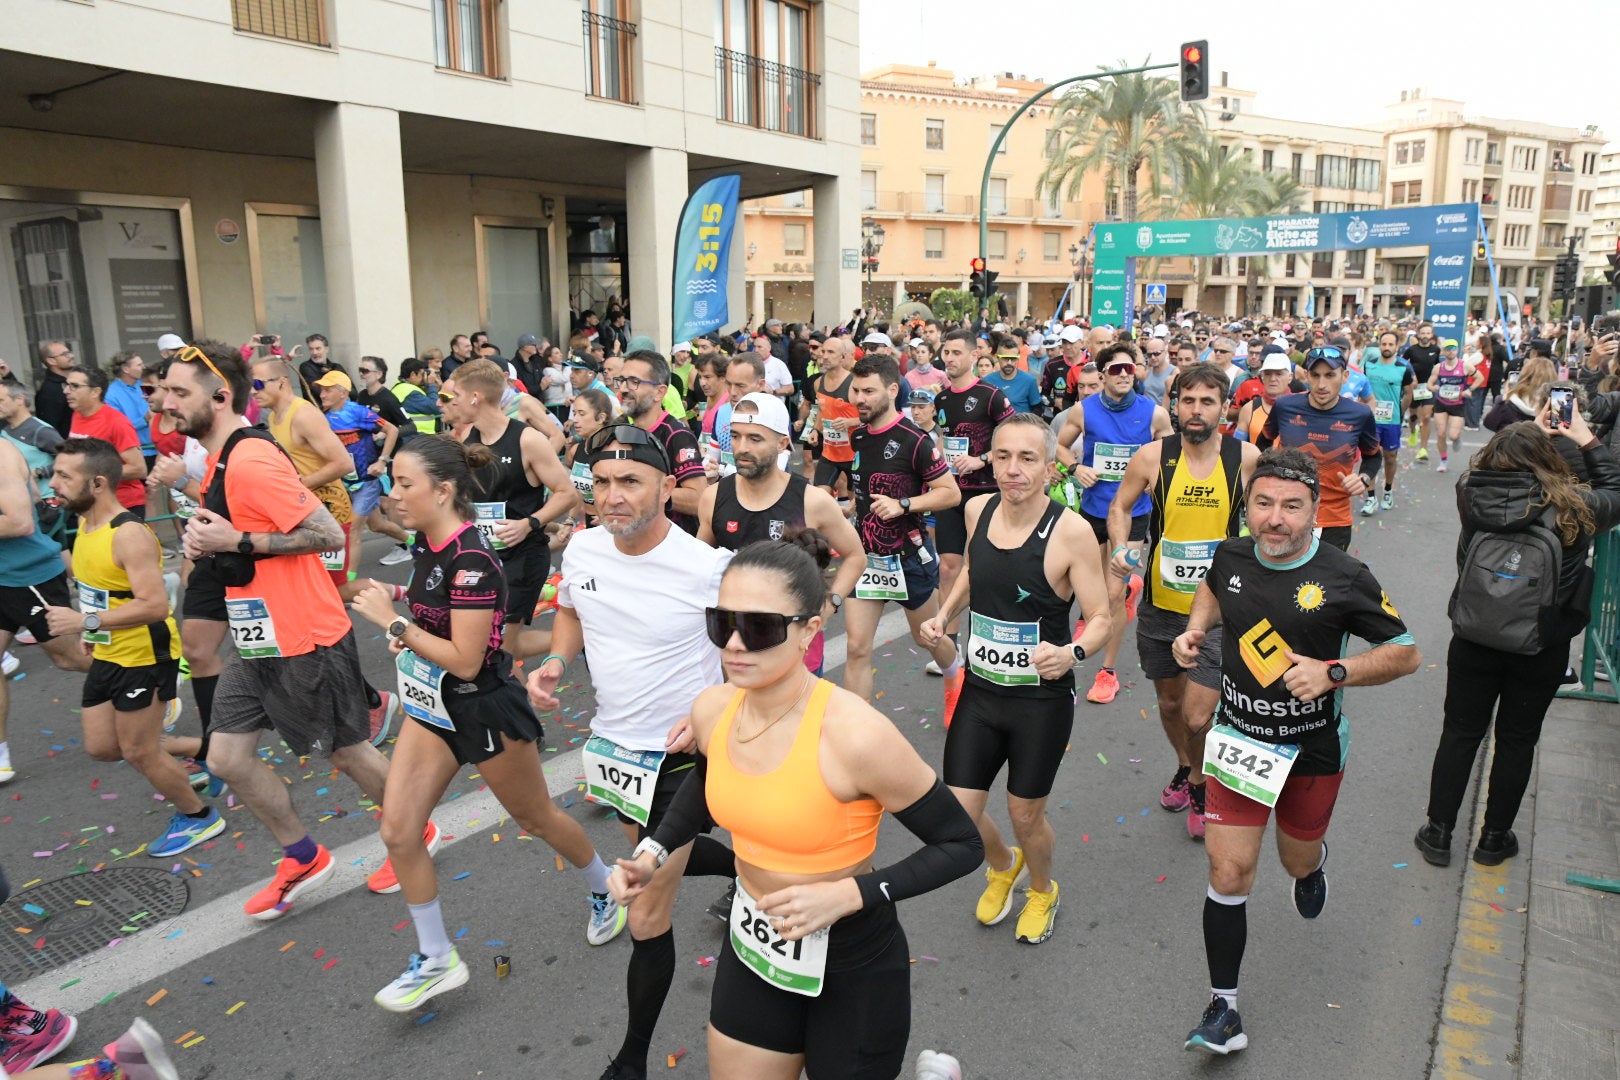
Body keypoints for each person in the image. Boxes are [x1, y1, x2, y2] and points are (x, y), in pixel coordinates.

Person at [607, 536, 982, 1080]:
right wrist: (653, 850)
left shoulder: (855, 735)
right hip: (754, 943)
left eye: (759, 627)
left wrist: (846, 895)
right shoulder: (712, 709)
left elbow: (961, 844)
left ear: (809, 629)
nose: (735, 643)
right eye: (722, 623)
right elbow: (711, 782)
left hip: (851, 956)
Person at [349, 435, 625, 1012]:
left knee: (536, 818)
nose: (394, 495)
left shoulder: (473, 559)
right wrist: (397, 591)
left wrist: (391, 624)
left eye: (405, 484)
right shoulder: (429, 541)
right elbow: (435, 603)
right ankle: (436, 957)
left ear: (443, 490)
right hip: (433, 710)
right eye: (393, 483)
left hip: (481, 704)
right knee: (399, 832)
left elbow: (466, 658)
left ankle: (606, 887)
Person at [1171, 448, 1420, 1055]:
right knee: (1229, 871)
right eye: (1263, 504)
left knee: (1295, 862)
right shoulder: (1230, 553)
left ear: (1314, 512)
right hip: (1239, 740)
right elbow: (1211, 588)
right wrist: (1196, 629)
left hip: (1312, 750)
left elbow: (1406, 652)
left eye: (1291, 507)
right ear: (1247, 506)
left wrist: (1334, 672)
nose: (1274, 519)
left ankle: (1313, 864)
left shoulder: (1344, 575)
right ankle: (1223, 1010)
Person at [164, 342, 418, 915]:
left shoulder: (250, 460)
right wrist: (206, 536)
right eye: (166, 390)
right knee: (227, 759)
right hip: (259, 638)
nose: (166, 402)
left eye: (181, 392)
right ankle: (302, 855)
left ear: (220, 396)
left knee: (347, 753)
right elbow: (238, 531)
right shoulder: (225, 458)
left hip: (304, 634)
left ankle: (413, 832)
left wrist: (238, 542)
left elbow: (327, 533)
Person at [525, 424, 733, 1080]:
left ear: (669, 487)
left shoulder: (707, 569)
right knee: (663, 845)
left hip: (683, 758)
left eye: (630, 482)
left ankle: (631, 1059)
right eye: (602, 482)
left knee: (646, 909)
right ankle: (754, 868)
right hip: (615, 748)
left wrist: (714, 713)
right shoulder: (584, 549)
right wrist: (557, 661)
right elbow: (572, 612)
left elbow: (748, 655)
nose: (611, 496)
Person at [920, 414, 1110, 944]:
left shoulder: (1070, 531)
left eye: (1027, 458)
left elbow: (1100, 618)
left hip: (1040, 701)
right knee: (957, 813)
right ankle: (1004, 865)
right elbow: (975, 574)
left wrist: (1071, 652)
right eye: (1002, 456)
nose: (1012, 469)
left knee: (1026, 815)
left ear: (1049, 467)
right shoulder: (978, 509)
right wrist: (946, 616)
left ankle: (1043, 888)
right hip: (982, 691)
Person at [1414, 406, 1620, 868]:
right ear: (1549, 457)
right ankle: (1494, 838)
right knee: (1516, 741)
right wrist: (1584, 438)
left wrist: (1522, 429)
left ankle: (1438, 832)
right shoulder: (1572, 505)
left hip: (1473, 635)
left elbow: (1502, 453)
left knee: (1460, 733)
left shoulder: (1470, 492)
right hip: (1540, 644)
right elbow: (1617, 489)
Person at [41, 438, 221, 855]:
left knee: (138, 751)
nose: (55, 483)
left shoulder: (130, 534)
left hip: (144, 656)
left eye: (65, 476)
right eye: (56, 472)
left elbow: (156, 606)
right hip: (108, 651)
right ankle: (206, 751)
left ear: (98, 483)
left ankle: (199, 817)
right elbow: (103, 594)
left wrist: (84, 621)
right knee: (103, 747)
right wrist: (93, 631)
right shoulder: (85, 526)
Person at [1110, 363, 1257, 839]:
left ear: (1224, 407)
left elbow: (1272, 512)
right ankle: (1186, 765)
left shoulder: (1247, 457)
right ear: (1175, 405)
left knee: (1198, 712)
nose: (1196, 411)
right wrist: (1119, 547)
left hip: (1219, 610)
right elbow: (1120, 506)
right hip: (1160, 604)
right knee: (1171, 704)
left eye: (1207, 401)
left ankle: (1199, 780)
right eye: (1188, 400)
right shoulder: (1152, 457)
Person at [697, 392, 865, 679]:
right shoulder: (713, 497)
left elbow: (855, 556)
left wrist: (831, 603)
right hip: (734, 646)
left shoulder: (812, 501)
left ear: (782, 443)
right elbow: (698, 565)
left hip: (794, 649)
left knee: (796, 724)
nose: (742, 447)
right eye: (736, 436)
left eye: (755, 438)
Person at [842, 353, 964, 709]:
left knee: (927, 638)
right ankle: (856, 730)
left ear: (893, 390)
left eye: (869, 391)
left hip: (909, 559)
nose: (859, 398)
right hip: (866, 559)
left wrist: (904, 505)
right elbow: (862, 482)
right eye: (856, 389)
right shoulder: (860, 436)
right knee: (856, 647)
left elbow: (950, 493)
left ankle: (955, 675)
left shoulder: (915, 440)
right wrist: (854, 504)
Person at [1056, 342, 1174, 704]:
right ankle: (1064, 648)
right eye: (1116, 369)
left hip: (1133, 513)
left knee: (1113, 592)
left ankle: (1107, 672)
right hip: (1093, 510)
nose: (1124, 374)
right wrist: (1076, 468)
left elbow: (1169, 459)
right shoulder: (1084, 410)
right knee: (1072, 583)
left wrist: (1152, 478)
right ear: (1102, 374)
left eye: (1129, 368)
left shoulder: (1154, 414)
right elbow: (1058, 447)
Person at [439, 359, 579, 657]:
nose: (453, 403)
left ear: (476, 396)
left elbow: (567, 494)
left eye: (457, 396)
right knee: (490, 647)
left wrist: (529, 523)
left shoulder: (526, 439)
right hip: (482, 556)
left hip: (522, 557)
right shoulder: (466, 438)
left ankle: (579, 642)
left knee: (500, 648)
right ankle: (580, 644)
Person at [0, 438, 94, 784]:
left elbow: (21, 521)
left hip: (28, 576)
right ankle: (1, 757)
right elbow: (37, 499)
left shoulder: (2, 454)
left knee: (70, 658)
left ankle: (153, 680)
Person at [930, 330, 1017, 680]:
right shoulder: (941, 399)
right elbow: (943, 437)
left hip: (984, 492)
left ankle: (992, 639)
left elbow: (1013, 435)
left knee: (984, 567)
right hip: (951, 491)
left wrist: (982, 459)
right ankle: (950, 645)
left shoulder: (991, 395)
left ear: (972, 355)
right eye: (945, 352)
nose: (949, 358)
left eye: (955, 352)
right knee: (948, 567)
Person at [1257, 346, 1379, 550]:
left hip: (1334, 519)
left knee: (1325, 582)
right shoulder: (1285, 406)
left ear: (1345, 376)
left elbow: (1374, 457)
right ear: (1306, 376)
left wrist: (1363, 479)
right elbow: (1262, 445)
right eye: (1315, 375)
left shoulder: (1360, 414)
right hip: (1286, 514)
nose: (1322, 384)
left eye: (1330, 375)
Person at [312, 368, 409, 571]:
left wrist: (382, 461)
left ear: (342, 392)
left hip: (366, 481)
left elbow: (391, 430)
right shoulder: (322, 418)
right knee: (377, 525)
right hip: (343, 482)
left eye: (327, 390)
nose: (322, 394)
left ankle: (349, 583)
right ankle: (414, 542)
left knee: (353, 530)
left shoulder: (358, 412)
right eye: (321, 390)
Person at [614, 351, 706, 532]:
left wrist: (642, 492)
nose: (623, 389)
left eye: (634, 382)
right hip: (631, 542)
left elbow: (698, 499)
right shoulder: (619, 430)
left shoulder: (676, 434)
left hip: (669, 547)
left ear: (659, 392)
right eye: (621, 380)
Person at [64, 367, 148, 518]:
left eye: (75, 386)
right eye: (66, 385)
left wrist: (92, 475)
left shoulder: (116, 422)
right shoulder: (77, 414)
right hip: (90, 503)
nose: (66, 391)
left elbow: (139, 468)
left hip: (122, 505)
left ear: (95, 392)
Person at [1362, 330, 1415, 514]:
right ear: (1379, 345)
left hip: (1391, 420)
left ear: (1397, 346)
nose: (1386, 347)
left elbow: (1409, 393)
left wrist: (1400, 413)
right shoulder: (1369, 365)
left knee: (1390, 457)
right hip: (1371, 421)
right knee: (1370, 456)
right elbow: (1363, 391)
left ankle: (1388, 491)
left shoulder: (1403, 367)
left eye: (1390, 344)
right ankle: (1370, 498)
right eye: (1383, 344)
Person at [1427, 339, 1474, 472]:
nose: (1451, 351)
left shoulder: (1465, 366)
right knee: (1441, 434)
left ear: (1457, 350)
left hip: (1457, 404)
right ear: (1444, 351)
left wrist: (1470, 390)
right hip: (1441, 403)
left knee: (1452, 435)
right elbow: (1429, 383)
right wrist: (1433, 387)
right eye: (1448, 349)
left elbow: (1480, 377)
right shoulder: (1439, 367)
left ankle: (1457, 438)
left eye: (1453, 348)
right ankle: (1443, 460)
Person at [1402, 322, 1442, 461]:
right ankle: (1413, 432)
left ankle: (1423, 449)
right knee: (1413, 417)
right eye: (1423, 333)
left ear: (1432, 335)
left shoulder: (1436, 350)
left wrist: (1436, 382)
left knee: (1425, 417)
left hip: (1428, 388)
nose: (1425, 336)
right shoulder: (1411, 350)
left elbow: (1437, 367)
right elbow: (1402, 365)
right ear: (1418, 334)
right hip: (1414, 388)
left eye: (1428, 333)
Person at [981, 336, 1042, 414]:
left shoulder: (1029, 380)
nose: (1009, 363)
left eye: (1013, 358)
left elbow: (1037, 410)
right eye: (1005, 358)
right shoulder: (987, 381)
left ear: (1018, 358)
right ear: (997, 358)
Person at [34, 341, 75, 438]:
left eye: (69, 352)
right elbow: (50, 427)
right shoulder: (49, 391)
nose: (71, 356)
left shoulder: (71, 381)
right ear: (51, 361)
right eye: (65, 354)